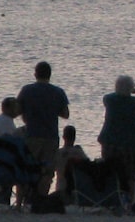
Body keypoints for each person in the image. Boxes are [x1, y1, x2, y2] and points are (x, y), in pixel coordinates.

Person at [17, 60, 70, 198]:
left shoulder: (26, 90)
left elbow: (17, 110)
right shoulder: (58, 92)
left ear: (35, 74)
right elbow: (66, 114)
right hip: (50, 136)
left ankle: (26, 198)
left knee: (28, 167)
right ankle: (41, 198)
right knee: (47, 171)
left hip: (32, 135)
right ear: (50, 75)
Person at [98, 75, 135, 202]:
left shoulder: (109, 100)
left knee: (109, 171)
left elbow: (108, 97)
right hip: (129, 142)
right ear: (131, 88)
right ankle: (129, 202)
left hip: (109, 141)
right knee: (130, 174)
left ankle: (110, 198)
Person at [54, 124, 89, 196]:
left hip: (60, 189)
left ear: (63, 137)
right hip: (76, 191)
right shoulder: (79, 152)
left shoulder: (57, 153)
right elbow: (88, 164)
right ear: (74, 138)